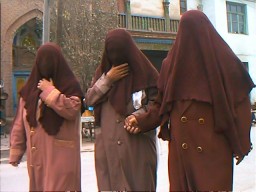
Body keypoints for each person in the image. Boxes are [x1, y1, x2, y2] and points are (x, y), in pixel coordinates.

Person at [125, 10, 255, 191]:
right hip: (182, 154)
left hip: (213, 151)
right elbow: (161, 106)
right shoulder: (171, 65)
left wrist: (241, 143)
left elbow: (241, 107)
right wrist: (140, 120)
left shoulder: (225, 63)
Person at [85, 28, 159, 191]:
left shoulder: (144, 72)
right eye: (112, 52)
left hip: (138, 148)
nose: (116, 57)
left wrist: (139, 117)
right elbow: (89, 99)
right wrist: (108, 79)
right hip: (108, 148)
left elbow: (157, 103)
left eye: (120, 52)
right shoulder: (102, 73)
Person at [9, 42, 84, 191]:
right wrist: (16, 151)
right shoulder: (29, 90)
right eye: (42, 60)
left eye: (50, 61)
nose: (46, 65)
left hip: (62, 158)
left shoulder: (69, 86)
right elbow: (20, 123)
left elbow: (72, 110)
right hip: (37, 158)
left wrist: (49, 90)